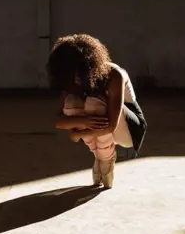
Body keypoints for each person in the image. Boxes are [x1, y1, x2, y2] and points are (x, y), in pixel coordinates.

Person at [47, 34, 147, 189]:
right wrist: (83, 122)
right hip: (100, 127)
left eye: (77, 73)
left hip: (129, 129)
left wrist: (77, 134)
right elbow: (58, 121)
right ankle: (100, 155)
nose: (75, 80)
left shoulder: (114, 75)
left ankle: (106, 158)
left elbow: (111, 126)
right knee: (72, 103)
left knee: (95, 104)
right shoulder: (70, 80)